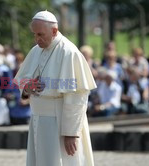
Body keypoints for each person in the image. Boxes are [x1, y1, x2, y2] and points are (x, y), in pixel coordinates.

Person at [14, 11, 96, 166]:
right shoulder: (35, 50)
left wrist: (71, 133)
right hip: (38, 119)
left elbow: (77, 96)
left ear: (54, 31)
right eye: (34, 34)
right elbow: (22, 80)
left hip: (59, 122)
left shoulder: (68, 52)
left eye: (40, 34)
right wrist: (27, 87)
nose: (37, 39)